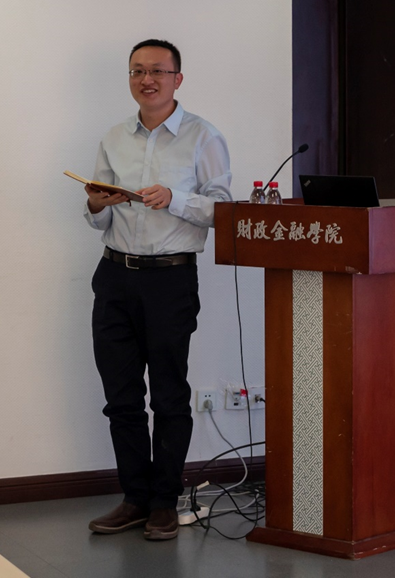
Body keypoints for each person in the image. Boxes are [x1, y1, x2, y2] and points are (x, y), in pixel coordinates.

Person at [82, 39, 232, 541]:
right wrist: (97, 204)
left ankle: (165, 501)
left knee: (169, 395)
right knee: (120, 398)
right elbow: (98, 215)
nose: (147, 80)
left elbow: (223, 209)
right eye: (137, 71)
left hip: (170, 279)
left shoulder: (203, 137)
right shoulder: (114, 138)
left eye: (158, 72)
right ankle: (134, 498)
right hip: (115, 276)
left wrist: (175, 198)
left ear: (177, 79)